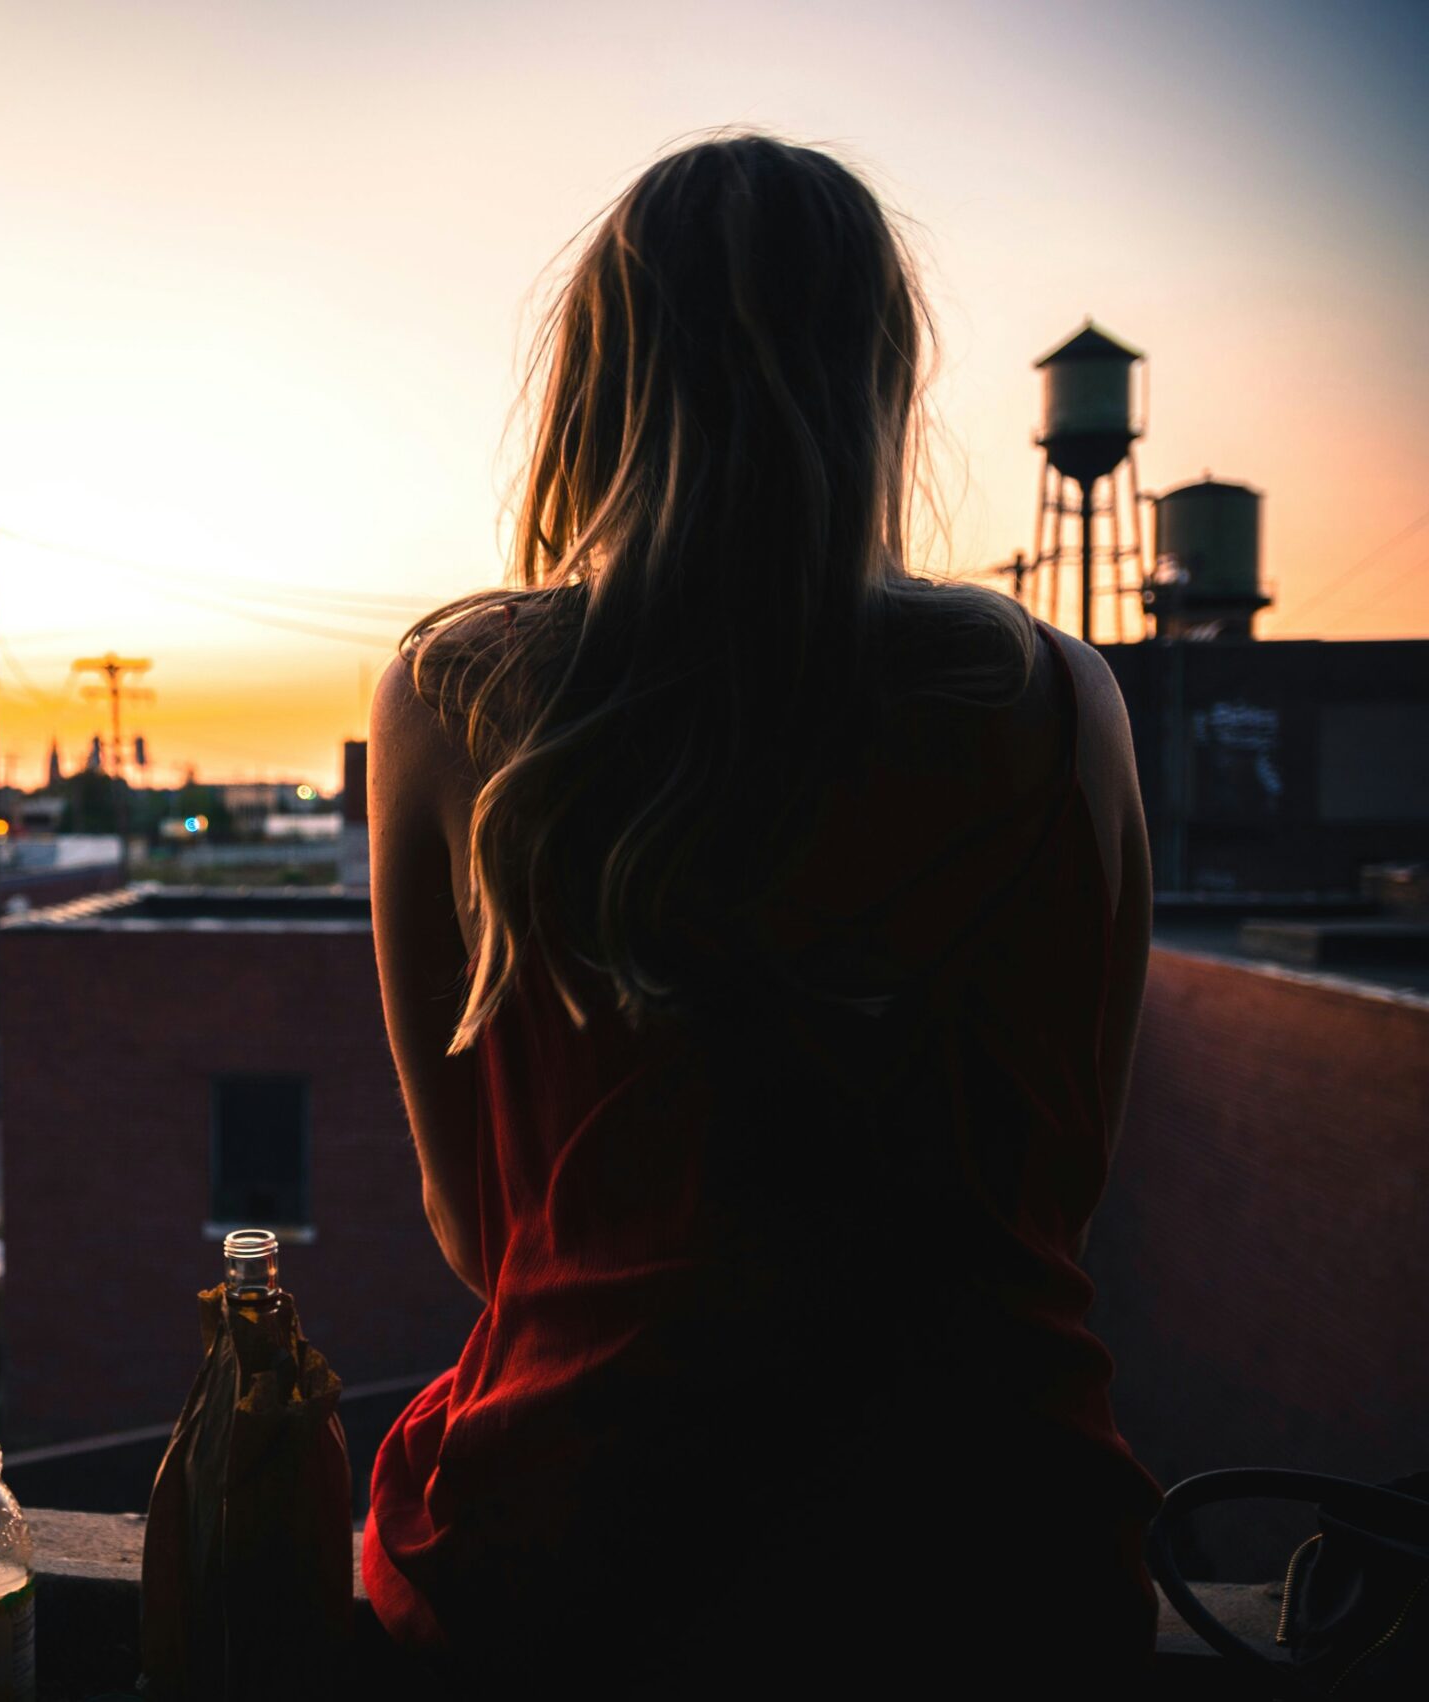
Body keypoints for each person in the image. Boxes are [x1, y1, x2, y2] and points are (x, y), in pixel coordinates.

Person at [361, 135, 1161, 1694]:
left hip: (583, 1551)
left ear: (598, 384)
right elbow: (1058, 1187)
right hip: (1002, 1548)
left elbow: (484, 1237)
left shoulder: (460, 695)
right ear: (883, 382)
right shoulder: (1062, 700)